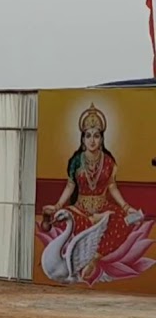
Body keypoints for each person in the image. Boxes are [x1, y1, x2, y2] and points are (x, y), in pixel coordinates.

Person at [37, 104, 154, 285]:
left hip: (103, 209)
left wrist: (126, 207)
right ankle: (70, 230)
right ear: (83, 139)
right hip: (80, 209)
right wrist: (58, 206)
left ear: (102, 138)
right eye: (88, 135)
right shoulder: (76, 161)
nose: (92, 140)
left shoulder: (108, 162)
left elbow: (112, 187)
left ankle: (95, 257)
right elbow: (70, 186)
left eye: (96, 136)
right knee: (70, 219)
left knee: (120, 222)